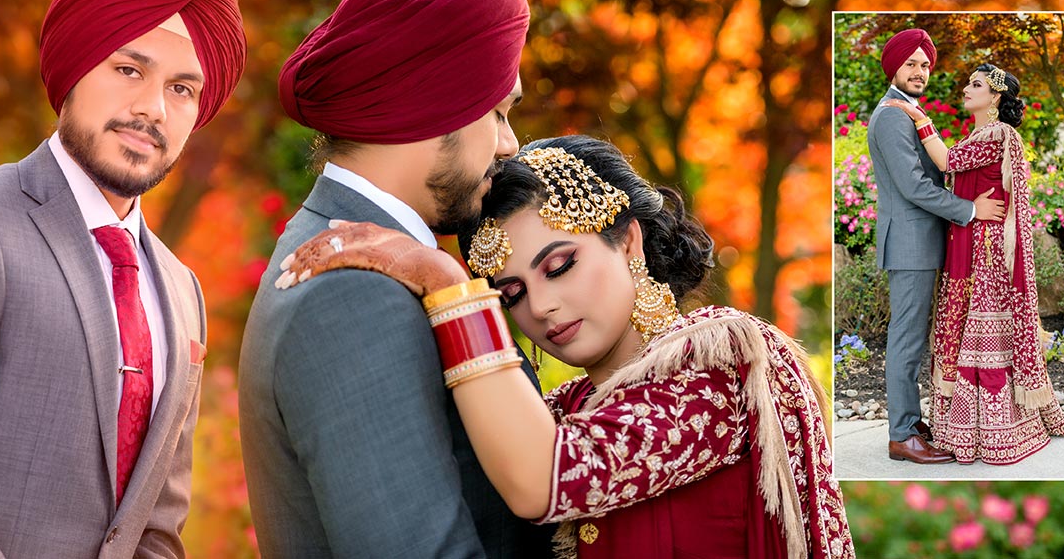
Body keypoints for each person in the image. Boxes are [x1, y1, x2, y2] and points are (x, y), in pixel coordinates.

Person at [281, 135, 856, 558]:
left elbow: (545, 477)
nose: (541, 307)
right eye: (511, 292)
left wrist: (444, 282)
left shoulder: (723, 366)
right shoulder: (566, 412)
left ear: (628, 240)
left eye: (559, 266)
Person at [0, 0, 246, 558]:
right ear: (78, 65)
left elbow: (158, 527)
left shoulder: (180, 288)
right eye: (128, 70)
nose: (152, 108)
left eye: (181, 89)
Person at [238, 0, 553, 557]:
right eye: (498, 112)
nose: (510, 144)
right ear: (437, 106)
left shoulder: (368, 261)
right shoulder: (350, 294)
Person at [881, 63, 1064, 464]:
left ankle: (990, 430)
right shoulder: (983, 134)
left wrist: (920, 118)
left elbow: (948, 162)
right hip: (971, 243)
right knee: (965, 332)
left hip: (983, 252)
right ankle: (962, 427)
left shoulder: (996, 133)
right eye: (969, 82)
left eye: (977, 84)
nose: (966, 89)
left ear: (996, 97)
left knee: (977, 335)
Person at [865, 28, 1005, 465]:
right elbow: (912, 186)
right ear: (894, 67)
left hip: (921, 241)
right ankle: (902, 435)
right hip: (910, 242)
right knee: (906, 338)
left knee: (914, 336)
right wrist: (969, 210)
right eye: (911, 63)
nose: (920, 71)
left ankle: (911, 422)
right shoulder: (891, 115)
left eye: (925, 64)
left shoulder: (909, 110)